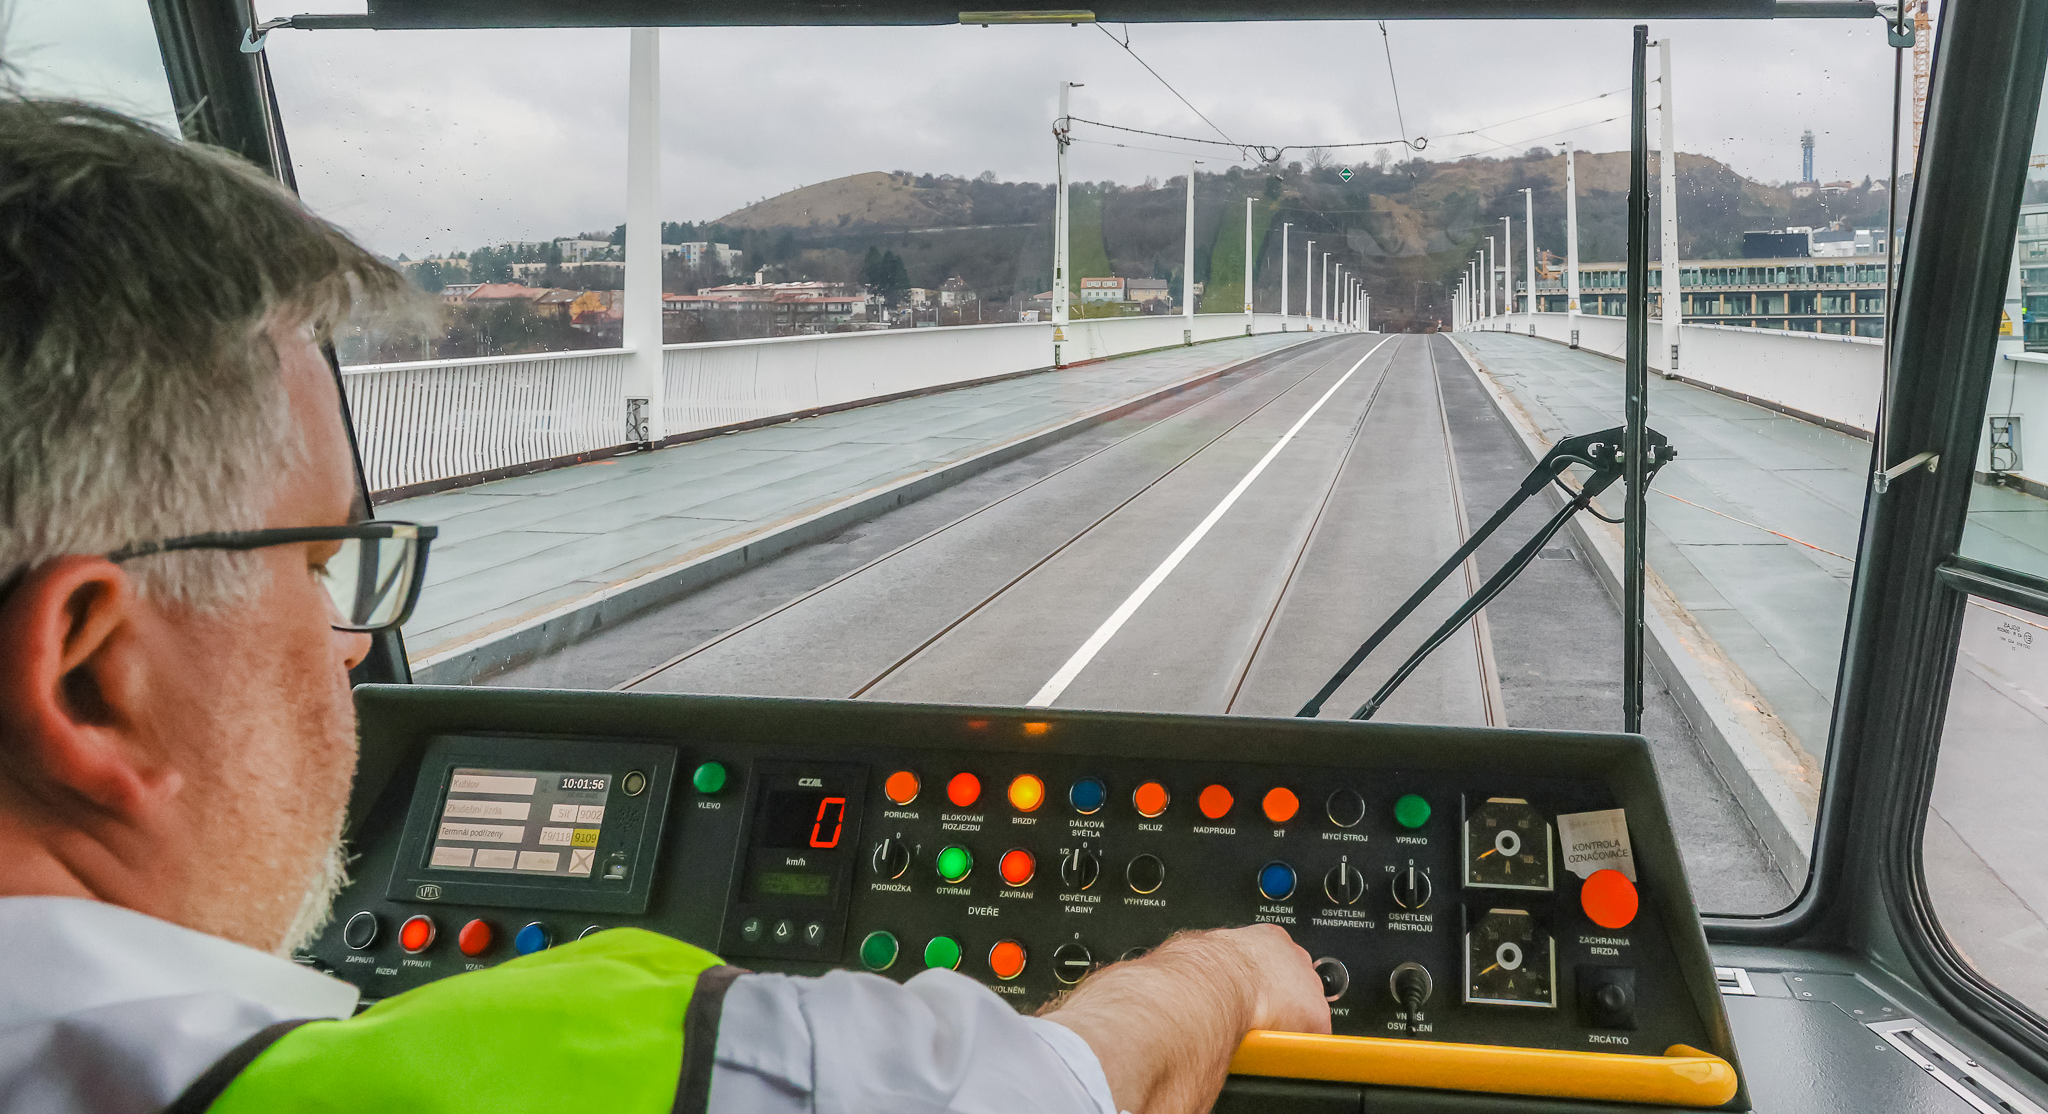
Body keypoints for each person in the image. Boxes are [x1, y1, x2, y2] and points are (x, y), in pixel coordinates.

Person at [0, 97, 1330, 1114]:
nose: (353, 645)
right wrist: (1219, 977)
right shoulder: (608, 1068)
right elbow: (1048, 1090)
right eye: (314, 570)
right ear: (90, 676)